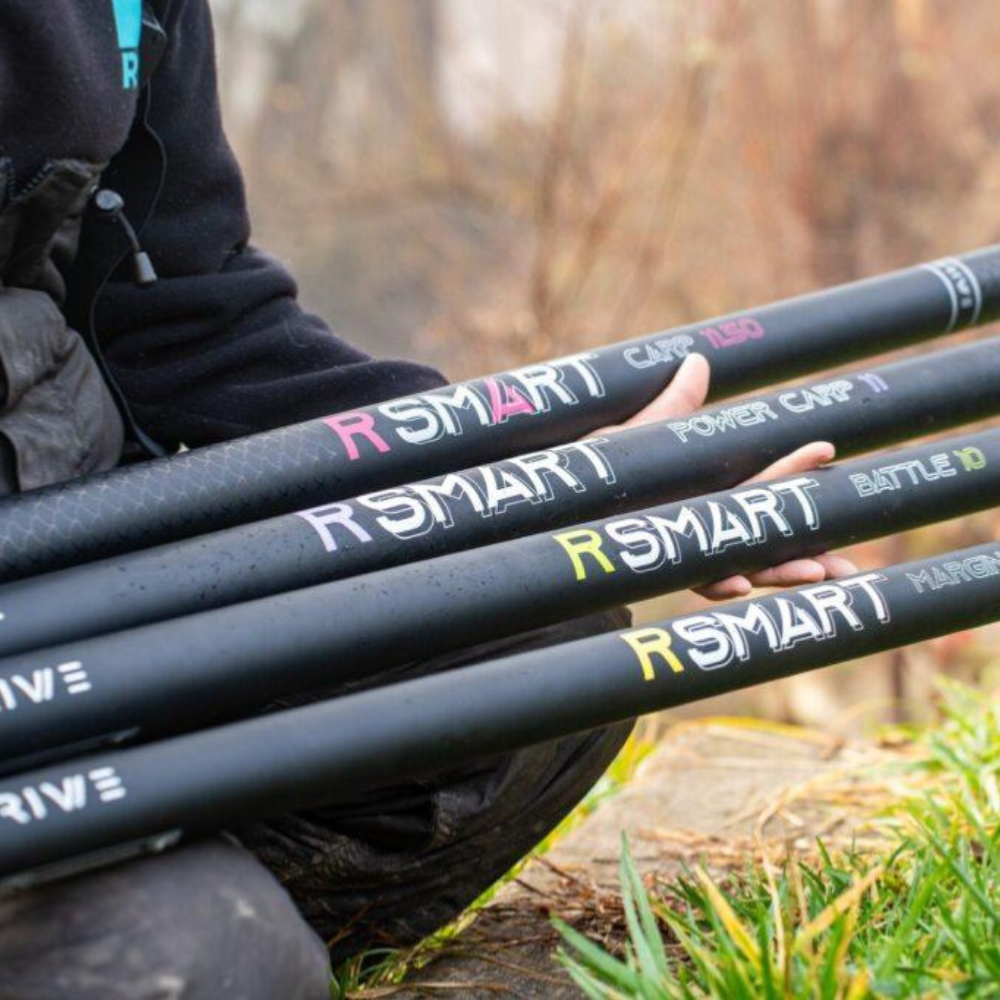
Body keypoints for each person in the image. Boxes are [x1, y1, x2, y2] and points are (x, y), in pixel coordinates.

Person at [0, 3, 855, 997]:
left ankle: (116, 870)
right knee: (221, 959)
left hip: (61, 579)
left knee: (543, 632)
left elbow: (189, 316)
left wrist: (552, 473)